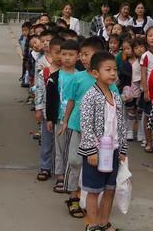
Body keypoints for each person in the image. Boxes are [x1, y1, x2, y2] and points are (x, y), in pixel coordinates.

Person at [78, 51, 128, 231]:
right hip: (96, 152)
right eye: (108, 70)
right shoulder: (90, 96)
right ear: (95, 73)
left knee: (110, 189)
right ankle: (92, 225)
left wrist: (123, 149)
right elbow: (86, 125)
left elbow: (121, 124)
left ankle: (104, 222)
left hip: (113, 151)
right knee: (93, 190)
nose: (113, 73)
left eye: (115, 69)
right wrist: (91, 150)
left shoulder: (115, 96)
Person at [60, 36, 107, 219]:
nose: (84, 58)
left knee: (94, 165)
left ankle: (90, 200)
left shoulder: (106, 79)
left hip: (98, 132)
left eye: (87, 54)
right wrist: (65, 121)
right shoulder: (77, 77)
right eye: (83, 55)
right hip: (75, 126)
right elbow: (71, 101)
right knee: (74, 161)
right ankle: (72, 197)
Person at [45, 39, 79, 195]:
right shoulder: (55, 76)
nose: (66, 58)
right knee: (59, 147)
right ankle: (59, 175)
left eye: (71, 55)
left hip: (75, 120)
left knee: (72, 149)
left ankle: (71, 176)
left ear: (77, 56)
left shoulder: (81, 76)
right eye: (63, 54)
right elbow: (50, 99)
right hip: (59, 118)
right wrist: (50, 119)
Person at [34, 36, 64, 182]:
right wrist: (39, 109)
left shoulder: (69, 73)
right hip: (47, 114)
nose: (60, 56)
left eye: (62, 53)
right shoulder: (45, 73)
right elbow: (39, 91)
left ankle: (59, 168)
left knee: (60, 144)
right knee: (47, 141)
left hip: (62, 115)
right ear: (50, 53)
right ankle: (45, 167)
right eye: (57, 52)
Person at [139, 26, 153, 152]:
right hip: (149, 91)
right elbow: (143, 74)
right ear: (146, 38)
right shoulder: (145, 55)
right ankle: (148, 141)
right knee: (147, 116)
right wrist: (146, 91)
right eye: (150, 35)